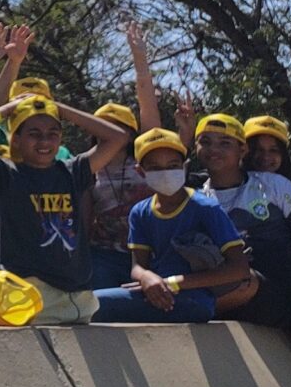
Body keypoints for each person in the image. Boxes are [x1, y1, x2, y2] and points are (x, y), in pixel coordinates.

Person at [0, 87, 133, 325]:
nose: (45, 141)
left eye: (52, 133)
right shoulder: (7, 174)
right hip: (29, 294)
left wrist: (60, 109)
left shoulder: (72, 171)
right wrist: (7, 110)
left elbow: (118, 136)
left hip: (78, 295)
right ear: (16, 139)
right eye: (34, 134)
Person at [91, 127, 246, 324]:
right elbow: (138, 266)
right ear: (141, 171)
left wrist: (173, 283)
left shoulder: (205, 208)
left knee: (98, 305)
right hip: (155, 293)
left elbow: (239, 268)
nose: (165, 173)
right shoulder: (140, 212)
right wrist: (147, 278)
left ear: (185, 166)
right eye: (155, 168)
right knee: (92, 301)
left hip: (194, 299)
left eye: (172, 165)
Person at [185, 113, 291, 332]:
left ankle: (179, 310)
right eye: (205, 142)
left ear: (240, 149)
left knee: (243, 281)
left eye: (225, 143)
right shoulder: (195, 196)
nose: (214, 149)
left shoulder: (280, 188)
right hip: (219, 290)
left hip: (277, 298)